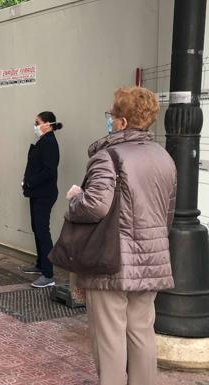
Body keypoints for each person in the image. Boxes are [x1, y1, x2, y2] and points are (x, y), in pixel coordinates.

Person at [66, 86, 176, 385]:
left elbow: (94, 207)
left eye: (112, 115)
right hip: (151, 259)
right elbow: (167, 212)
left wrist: (76, 197)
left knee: (109, 336)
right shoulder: (163, 157)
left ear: (123, 121)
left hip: (111, 260)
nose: (111, 120)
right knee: (142, 331)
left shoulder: (109, 156)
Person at [21, 111, 62, 288]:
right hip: (37, 192)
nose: (35, 126)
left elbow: (49, 171)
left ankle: (48, 275)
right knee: (37, 228)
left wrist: (29, 182)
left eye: (37, 122)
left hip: (44, 193)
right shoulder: (44, 141)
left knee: (42, 231)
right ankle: (40, 264)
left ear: (48, 124)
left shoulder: (49, 142)